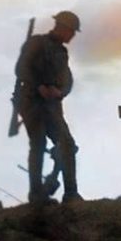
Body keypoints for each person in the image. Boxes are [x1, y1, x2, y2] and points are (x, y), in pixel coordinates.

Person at [14, 10, 83, 204]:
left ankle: (71, 193)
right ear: (62, 27)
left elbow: (67, 79)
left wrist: (59, 92)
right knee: (38, 144)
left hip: (52, 105)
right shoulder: (37, 43)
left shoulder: (62, 52)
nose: (72, 35)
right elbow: (22, 69)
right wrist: (39, 86)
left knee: (67, 145)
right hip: (32, 103)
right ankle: (36, 194)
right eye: (71, 31)